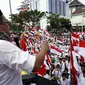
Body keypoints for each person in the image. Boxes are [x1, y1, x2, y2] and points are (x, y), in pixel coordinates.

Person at [0, 10, 50, 85]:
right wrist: (44, 49)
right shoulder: (3, 46)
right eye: (6, 23)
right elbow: (35, 65)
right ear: (0, 26)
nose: (9, 27)